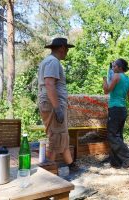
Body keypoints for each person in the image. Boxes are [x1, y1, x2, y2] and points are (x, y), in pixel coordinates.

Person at [38, 37, 78, 171]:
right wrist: (57, 108)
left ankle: (71, 165)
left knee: (61, 135)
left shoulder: (50, 61)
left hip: (53, 103)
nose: (67, 51)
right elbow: (49, 84)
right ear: (62, 47)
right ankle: (46, 172)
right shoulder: (53, 62)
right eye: (67, 48)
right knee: (55, 137)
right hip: (53, 104)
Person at [102, 58, 129, 169]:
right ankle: (116, 162)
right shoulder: (128, 79)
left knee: (112, 136)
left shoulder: (116, 76)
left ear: (120, 67)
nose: (113, 67)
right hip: (122, 109)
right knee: (118, 136)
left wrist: (104, 79)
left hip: (115, 108)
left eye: (115, 66)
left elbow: (106, 90)